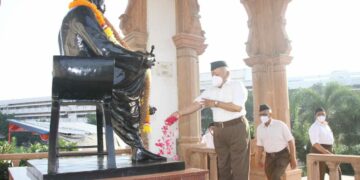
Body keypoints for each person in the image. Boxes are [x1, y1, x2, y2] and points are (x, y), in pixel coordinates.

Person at [59, 0, 165, 161]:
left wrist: (137, 59)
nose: (104, 5)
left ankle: (137, 109)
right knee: (134, 72)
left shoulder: (77, 12)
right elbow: (104, 49)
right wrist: (139, 58)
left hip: (82, 75)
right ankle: (136, 132)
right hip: (86, 77)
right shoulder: (82, 11)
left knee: (131, 71)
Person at [166, 60, 250, 180]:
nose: (214, 77)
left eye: (217, 74)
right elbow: (197, 104)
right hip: (219, 131)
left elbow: (237, 107)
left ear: (227, 74)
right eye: (212, 75)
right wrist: (179, 113)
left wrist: (215, 103)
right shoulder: (210, 90)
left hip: (237, 127)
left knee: (239, 166)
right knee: (223, 166)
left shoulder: (236, 85)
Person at [256, 104, 297, 180]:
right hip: (269, 157)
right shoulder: (259, 128)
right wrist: (258, 159)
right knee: (270, 177)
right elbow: (260, 146)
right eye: (260, 115)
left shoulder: (280, 125)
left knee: (275, 177)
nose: (262, 117)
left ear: (270, 114)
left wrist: (293, 158)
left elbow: (291, 141)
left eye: (265, 114)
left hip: (282, 155)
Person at [308, 107, 342, 180]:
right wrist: (326, 152)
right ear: (315, 116)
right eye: (319, 114)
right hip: (319, 150)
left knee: (337, 172)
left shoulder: (326, 125)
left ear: (325, 115)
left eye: (323, 114)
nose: (321, 116)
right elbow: (315, 143)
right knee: (319, 175)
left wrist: (331, 151)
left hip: (329, 149)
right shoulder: (314, 127)